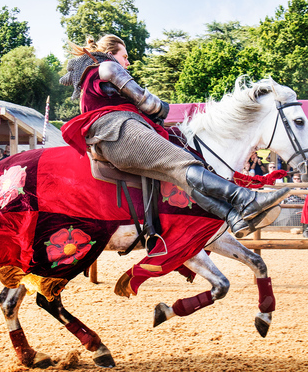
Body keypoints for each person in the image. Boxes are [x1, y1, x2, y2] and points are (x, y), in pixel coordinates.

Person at [58, 34, 291, 238]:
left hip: (112, 136)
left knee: (180, 176)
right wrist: (163, 108)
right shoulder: (108, 67)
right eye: (125, 56)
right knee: (185, 162)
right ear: (110, 54)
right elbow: (146, 102)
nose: (127, 62)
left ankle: (232, 216)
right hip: (119, 130)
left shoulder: (93, 77)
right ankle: (246, 199)